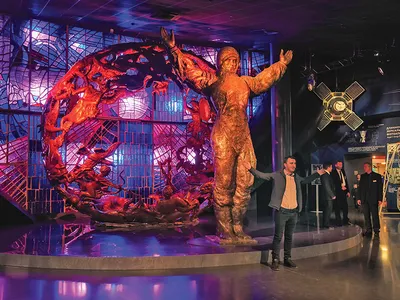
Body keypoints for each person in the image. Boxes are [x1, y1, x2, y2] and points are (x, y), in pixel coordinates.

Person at [161, 27, 293, 245]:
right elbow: (190, 70)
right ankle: (224, 231)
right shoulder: (212, 82)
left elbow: (264, 79)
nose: (231, 64)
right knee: (223, 183)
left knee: (245, 182)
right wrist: (173, 48)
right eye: (227, 60)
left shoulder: (245, 82)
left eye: (234, 60)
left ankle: (238, 228)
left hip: (243, 135)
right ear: (221, 63)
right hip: (223, 134)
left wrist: (281, 65)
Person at [244, 156, 325, 271]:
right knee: (278, 237)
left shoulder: (296, 177)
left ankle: (287, 258)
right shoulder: (277, 175)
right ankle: (275, 259)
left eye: (295, 163)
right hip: (282, 212)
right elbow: (262, 175)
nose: (294, 165)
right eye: (291, 163)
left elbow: (306, 180)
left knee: (289, 237)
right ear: (285, 164)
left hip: (293, 212)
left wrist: (318, 174)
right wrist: (250, 169)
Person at [357, 162, 383, 237]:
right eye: (364, 167)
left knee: (375, 215)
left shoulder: (377, 176)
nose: (364, 168)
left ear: (369, 167)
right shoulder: (363, 176)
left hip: (374, 199)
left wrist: (380, 199)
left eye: (365, 167)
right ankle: (368, 229)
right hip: (364, 199)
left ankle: (376, 229)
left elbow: (379, 189)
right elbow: (360, 188)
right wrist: (359, 198)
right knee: (366, 215)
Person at [331, 160, 351, 226]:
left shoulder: (343, 171)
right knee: (337, 207)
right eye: (339, 164)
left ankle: (345, 220)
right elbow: (333, 183)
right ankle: (338, 221)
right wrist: (340, 187)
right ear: (336, 165)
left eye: (341, 164)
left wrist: (347, 191)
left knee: (345, 207)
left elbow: (345, 181)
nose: (341, 166)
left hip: (344, 192)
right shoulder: (333, 173)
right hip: (337, 192)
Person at [320, 162, 335, 229]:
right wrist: (332, 195)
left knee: (327, 210)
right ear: (328, 167)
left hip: (327, 196)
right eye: (331, 167)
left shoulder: (326, 175)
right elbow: (327, 186)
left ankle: (326, 224)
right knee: (327, 211)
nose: (332, 168)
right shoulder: (325, 175)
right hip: (327, 197)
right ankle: (326, 225)